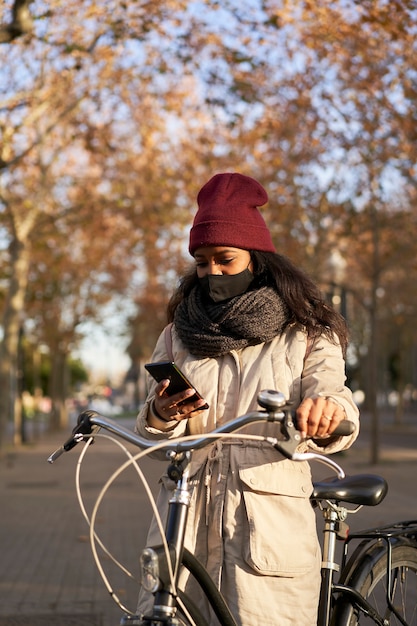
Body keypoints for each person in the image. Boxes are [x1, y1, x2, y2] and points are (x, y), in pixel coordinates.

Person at [135, 172, 359, 626]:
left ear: (256, 260)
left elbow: (335, 398)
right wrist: (161, 413)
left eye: (225, 259)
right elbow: (150, 426)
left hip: (266, 525)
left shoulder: (307, 333)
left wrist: (327, 412)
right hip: (186, 517)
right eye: (201, 261)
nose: (211, 271)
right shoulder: (178, 333)